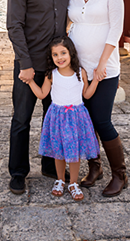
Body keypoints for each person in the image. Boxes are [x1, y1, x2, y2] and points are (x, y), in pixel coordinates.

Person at [6, 0, 70, 193]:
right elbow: (14, 26)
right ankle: (18, 172)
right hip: (29, 65)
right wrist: (25, 64)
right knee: (21, 120)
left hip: (56, 66)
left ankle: (48, 165)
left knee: (52, 118)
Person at [66, 0, 127, 194]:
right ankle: (95, 167)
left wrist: (102, 64)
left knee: (102, 121)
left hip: (105, 70)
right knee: (86, 124)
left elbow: (116, 28)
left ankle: (120, 175)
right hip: (80, 70)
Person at [38, 35, 102, 198]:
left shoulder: (80, 73)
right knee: (58, 151)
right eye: (55, 54)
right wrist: (30, 81)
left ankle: (73, 183)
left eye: (63, 53)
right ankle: (60, 180)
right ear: (51, 57)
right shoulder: (51, 74)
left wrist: (95, 81)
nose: (60, 58)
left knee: (74, 152)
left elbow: (86, 95)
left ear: (71, 53)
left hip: (76, 118)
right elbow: (42, 93)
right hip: (57, 117)